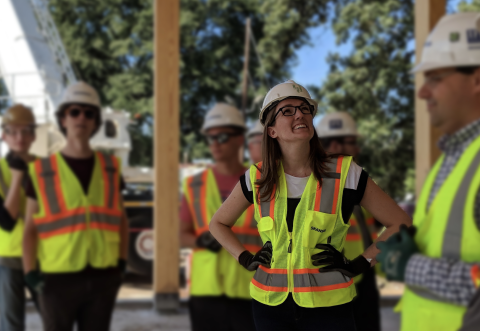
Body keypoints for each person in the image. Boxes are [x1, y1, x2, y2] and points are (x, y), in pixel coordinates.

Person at [209, 80, 411, 330]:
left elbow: (400, 223)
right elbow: (217, 223)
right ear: (271, 130)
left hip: (330, 308)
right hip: (269, 306)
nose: (300, 114)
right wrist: (244, 258)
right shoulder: (257, 178)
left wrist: (361, 263)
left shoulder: (346, 173)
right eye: (288, 110)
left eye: (305, 109)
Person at [375, 13, 480, 331]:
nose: (422, 93)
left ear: (476, 80)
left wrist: (410, 266)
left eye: (435, 78)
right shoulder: (452, 158)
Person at [22, 81, 129, 331]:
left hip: (104, 276)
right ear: (63, 119)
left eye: (89, 113)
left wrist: (122, 263)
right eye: (74, 111)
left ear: (95, 122)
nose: (82, 117)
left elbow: (121, 219)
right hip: (57, 279)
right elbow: (30, 228)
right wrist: (29, 272)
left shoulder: (111, 167)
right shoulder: (40, 171)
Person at [180, 103, 263, 331]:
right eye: (210, 138)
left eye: (222, 137)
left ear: (239, 139)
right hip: (206, 291)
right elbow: (180, 234)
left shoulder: (262, 182)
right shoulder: (194, 184)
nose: (214, 143)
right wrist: (199, 241)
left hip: (251, 288)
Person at [316, 111, 381, 331]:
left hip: (364, 276)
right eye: (352, 143)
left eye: (350, 142)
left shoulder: (361, 183)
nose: (356, 149)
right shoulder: (312, 188)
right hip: (331, 283)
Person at [0, 104, 37, 331]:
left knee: (56, 321)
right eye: (13, 131)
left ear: (33, 135)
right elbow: (6, 221)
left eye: (25, 130)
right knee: (11, 326)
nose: (19, 137)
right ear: (3, 135)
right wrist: (16, 178)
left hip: (45, 258)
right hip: (7, 258)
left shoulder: (48, 167)